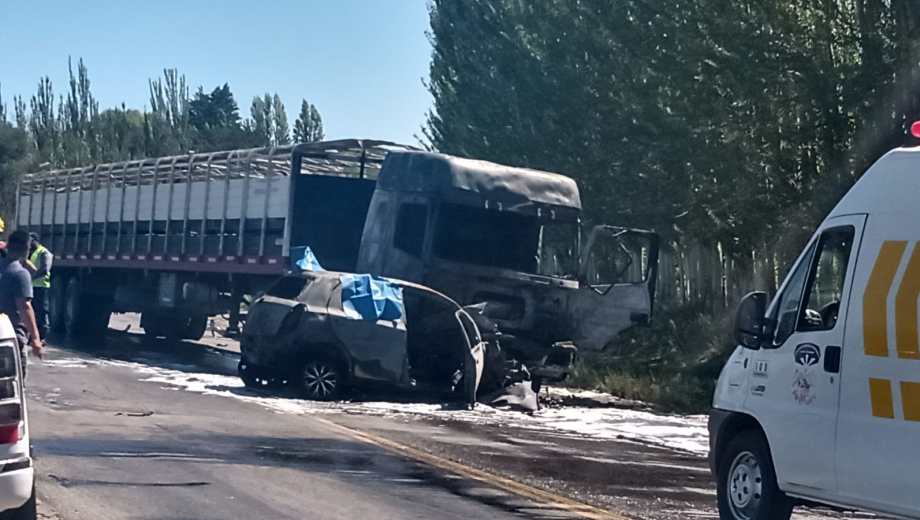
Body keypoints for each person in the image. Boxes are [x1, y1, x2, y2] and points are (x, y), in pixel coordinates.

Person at [0, 230, 44, 372]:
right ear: (26, 248)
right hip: (11, 338)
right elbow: (25, 307)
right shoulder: (20, 274)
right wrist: (36, 339)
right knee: (12, 385)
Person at [22, 233, 51, 340]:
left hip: (41, 287)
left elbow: (45, 269)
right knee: (31, 312)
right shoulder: (30, 252)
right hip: (32, 287)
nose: (28, 244)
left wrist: (30, 278)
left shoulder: (44, 252)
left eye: (29, 241)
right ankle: (32, 336)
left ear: (34, 240)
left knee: (41, 312)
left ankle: (42, 337)